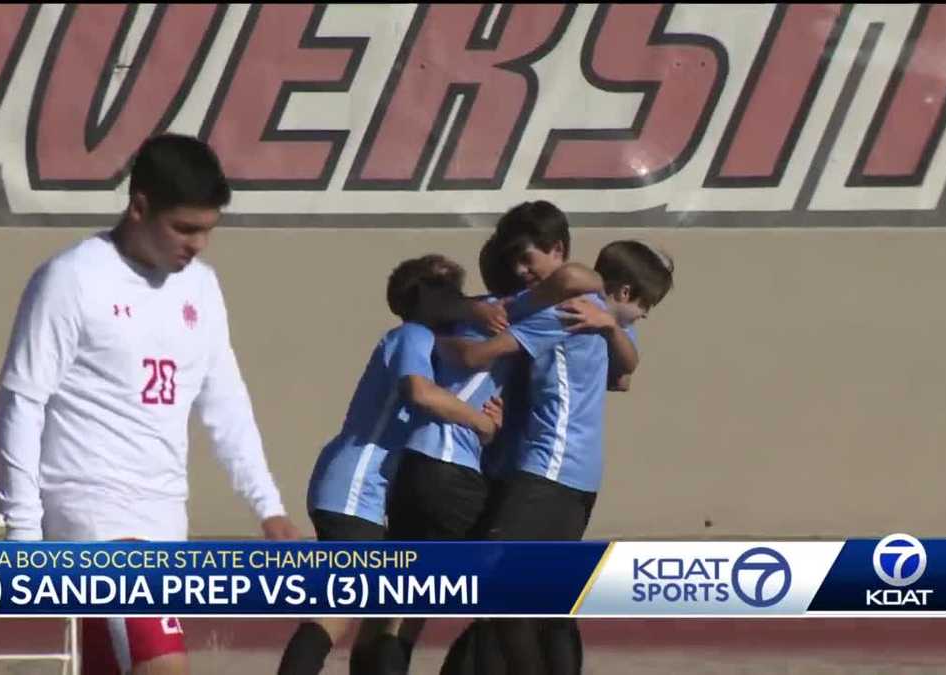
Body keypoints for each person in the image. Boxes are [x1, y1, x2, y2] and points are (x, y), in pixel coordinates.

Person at [0, 134, 300, 675]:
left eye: (208, 230)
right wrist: (23, 533)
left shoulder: (201, 289)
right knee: (164, 666)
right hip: (91, 512)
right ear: (139, 207)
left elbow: (225, 400)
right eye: (184, 228)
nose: (198, 244)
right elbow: (22, 401)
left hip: (164, 514)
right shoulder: (72, 280)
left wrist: (267, 504)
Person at [438, 203, 673, 675]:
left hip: (548, 471)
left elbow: (481, 354)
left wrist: (441, 339)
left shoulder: (564, 310)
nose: (522, 274)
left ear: (559, 250)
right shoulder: (605, 319)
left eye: (528, 261)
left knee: (500, 585)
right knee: (547, 602)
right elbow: (625, 374)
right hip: (576, 478)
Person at [279, 254, 503, 675]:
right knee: (339, 609)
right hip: (354, 485)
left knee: (376, 608)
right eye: (450, 293)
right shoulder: (412, 335)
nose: (460, 302)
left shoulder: (427, 341)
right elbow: (419, 392)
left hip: (363, 488)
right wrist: (482, 425)